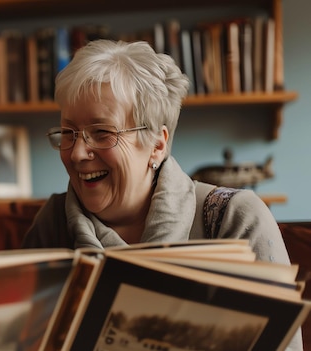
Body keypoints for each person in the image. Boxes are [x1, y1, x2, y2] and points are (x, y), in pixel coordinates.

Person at [20, 39, 302, 350]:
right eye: (69, 133)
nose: (77, 154)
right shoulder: (52, 224)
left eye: (102, 132)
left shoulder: (234, 219)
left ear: (157, 144)